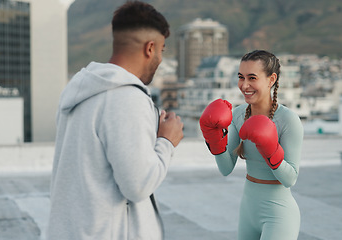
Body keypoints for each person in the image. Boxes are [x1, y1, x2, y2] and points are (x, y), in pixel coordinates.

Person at [47, 2, 184, 239]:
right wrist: (166, 140)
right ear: (150, 48)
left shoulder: (77, 90)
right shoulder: (126, 98)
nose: (161, 59)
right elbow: (138, 185)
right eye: (162, 50)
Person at [199, 50, 303, 240]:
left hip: (278, 213)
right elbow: (225, 168)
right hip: (248, 209)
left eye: (252, 78)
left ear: (271, 79)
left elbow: (290, 179)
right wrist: (214, 139)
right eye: (241, 77)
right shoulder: (238, 115)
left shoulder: (288, 120)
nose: (244, 85)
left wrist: (271, 150)